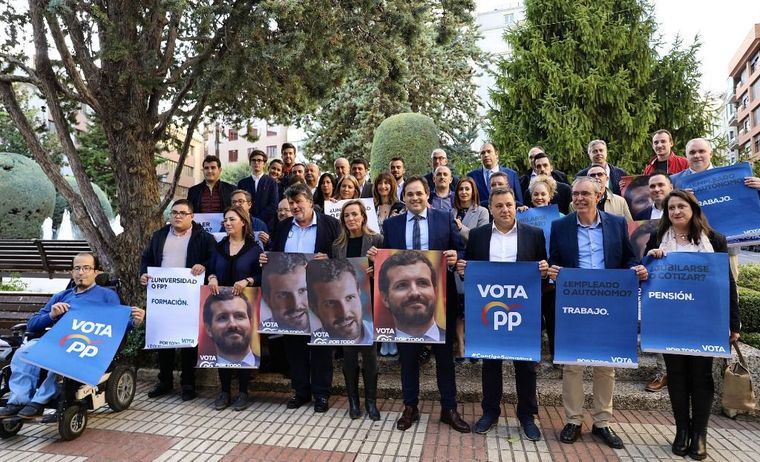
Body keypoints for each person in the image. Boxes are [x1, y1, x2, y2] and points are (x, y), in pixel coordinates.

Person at [547, 176, 648, 450]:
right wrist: (553, 272)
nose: (579, 198)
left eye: (585, 194)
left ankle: (602, 421)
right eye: (576, 194)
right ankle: (573, 420)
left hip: (609, 304)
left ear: (599, 195)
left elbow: (628, 258)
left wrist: (633, 269)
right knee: (572, 366)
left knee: (606, 365)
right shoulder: (560, 226)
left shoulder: (616, 224)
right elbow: (554, 261)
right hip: (574, 304)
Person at [368, 175, 470, 433]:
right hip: (405, 305)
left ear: (428, 195)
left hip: (440, 300)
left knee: (445, 359)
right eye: (410, 194)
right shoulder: (391, 225)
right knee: (408, 358)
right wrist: (375, 258)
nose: (414, 198)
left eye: (419, 193)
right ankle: (410, 406)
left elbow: (460, 252)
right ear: (404, 198)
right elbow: (386, 262)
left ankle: (449, 408)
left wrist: (456, 256)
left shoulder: (444, 219)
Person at [644, 190, 740, 460]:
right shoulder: (657, 239)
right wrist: (651, 258)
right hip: (669, 320)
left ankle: (700, 434)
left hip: (705, 321)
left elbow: (728, 285)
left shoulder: (715, 240)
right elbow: (644, 273)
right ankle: (681, 430)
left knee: (701, 376)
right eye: (671, 208)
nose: (676, 212)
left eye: (681, 207)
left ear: (693, 209)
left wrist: (733, 322)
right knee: (676, 376)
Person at [0, 253, 145, 419]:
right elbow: (33, 324)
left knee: (63, 356)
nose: (81, 272)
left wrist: (135, 322)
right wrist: (51, 315)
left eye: (86, 268)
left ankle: (39, 402)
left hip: (87, 344)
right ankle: (18, 400)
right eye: (77, 268)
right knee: (22, 352)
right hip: (56, 340)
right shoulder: (62, 296)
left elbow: (115, 326)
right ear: (72, 272)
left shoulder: (107, 297)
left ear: (96, 272)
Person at [455, 186, 549, 440]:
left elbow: (542, 274)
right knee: (491, 364)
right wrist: (464, 269)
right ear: (491, 209)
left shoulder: (534, 234)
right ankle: (490, 412)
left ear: (514, 205)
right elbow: (471, 274)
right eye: (499, 206)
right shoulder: (477, 236)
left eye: (508, 204)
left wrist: (543, 270)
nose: (505, 210)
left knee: (526, 366)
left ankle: (527, 415)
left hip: (523, 312)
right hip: (489, 312)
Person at [263, 183, 341, 413]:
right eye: (291, 204)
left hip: (320, 294)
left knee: (320, 346)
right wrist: (267, 260)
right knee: (294, 345)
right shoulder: (284, 225)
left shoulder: (331, 224)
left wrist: (329, 258)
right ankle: (300, 391)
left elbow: (341, 254)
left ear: (309, 200)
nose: (295, 207)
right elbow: (276, 254)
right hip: (291, 298)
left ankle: (321, 394)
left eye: (299, 202)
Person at [140, 199, 215, 401]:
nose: (178, 216)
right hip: (163, 296)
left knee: (188, 341)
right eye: (174, 212)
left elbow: (215, 259)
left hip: (189, 296)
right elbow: (146, 259)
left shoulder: (203, 237)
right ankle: (164, 381)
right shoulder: (159, 236)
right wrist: (143, 274)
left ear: (192, 216)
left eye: (183, 213)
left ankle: (188, 383)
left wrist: (204, 266)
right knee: (163, 339)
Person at [329, 200, 384, 420]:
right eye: (346, 216)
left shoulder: (376, 241)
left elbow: (387, 272)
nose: (351, 219)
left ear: (363, 216)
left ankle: (371, 402)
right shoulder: (336, 246)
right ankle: (353, 400)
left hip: (369, 305)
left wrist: (375, 268)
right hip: (346, 309)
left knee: (370, 357)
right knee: (349, 357)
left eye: (354, 214)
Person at [207, 206, 263, 411]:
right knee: (223, 345)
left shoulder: (254, 249)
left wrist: (248, 280)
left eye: (231, 219)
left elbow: (262, 275)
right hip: (220, 304)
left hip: (244, 305)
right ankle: (224, 391)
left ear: (243, 222)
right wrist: (211, 277)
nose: (227, 223)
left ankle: (243, 392)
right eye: (225, 220)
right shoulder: (219, 246)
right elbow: (211, 267)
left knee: (243, 345)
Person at [450, 176, 489, 360]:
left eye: (467, 189)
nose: (464, 192)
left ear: (473, 191)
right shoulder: (450, 212)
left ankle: (474, 344)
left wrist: (461, 228)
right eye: (460, 189)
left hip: (474, 263)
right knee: (458, 307)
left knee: (473, 306)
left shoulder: (482, 211)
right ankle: (461, 347)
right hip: (454, 263)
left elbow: (481, 238)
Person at [201, 288, 258, 367]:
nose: (232, 324)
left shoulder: (267, 366)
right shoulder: (204, 368)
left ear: (251, 323)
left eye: (239, 316)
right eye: (222, 318)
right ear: (208, 329)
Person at [237, 149, 279, 225]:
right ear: (250, 163)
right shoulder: (242, 183)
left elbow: (274, 204)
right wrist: (248, 219)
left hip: (267, 224)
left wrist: (257, 220)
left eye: (259, 160)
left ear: (264, 164)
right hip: (246, 223)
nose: (256, 163)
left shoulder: (272, 182)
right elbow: (239, 203)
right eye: (253, 160)